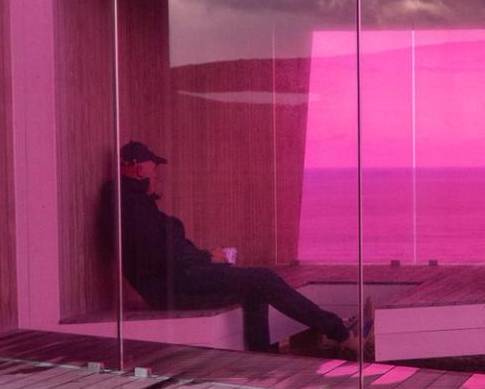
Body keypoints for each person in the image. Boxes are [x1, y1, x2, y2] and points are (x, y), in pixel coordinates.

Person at [115, 140, 360, 354]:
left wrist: (205, 257)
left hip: (180, 279)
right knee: (263, 278)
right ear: (139, 169)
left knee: (254, 289)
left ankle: (262, 360)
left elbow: (164, 252)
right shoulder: (128, 206)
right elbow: (162, 257)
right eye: (153, 170)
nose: (156, 177)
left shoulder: (137, 204)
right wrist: (208, 257)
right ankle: (338, 331)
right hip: (175, 287)